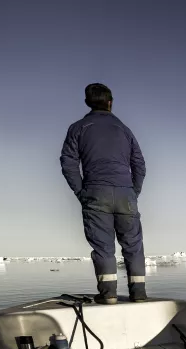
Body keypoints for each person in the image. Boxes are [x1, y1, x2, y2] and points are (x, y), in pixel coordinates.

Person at [60, 83, 148, 303]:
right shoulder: (124, 129)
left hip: (95, 192)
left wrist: (82, 192)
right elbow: (140, 165)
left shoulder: (78, 127)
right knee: (133, 245)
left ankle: (109, 295)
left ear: (87, 102)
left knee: (103, 247)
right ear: (110, 102)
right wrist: (132, 192)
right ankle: (138, 293)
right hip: (125, 194)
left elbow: (68, 163)